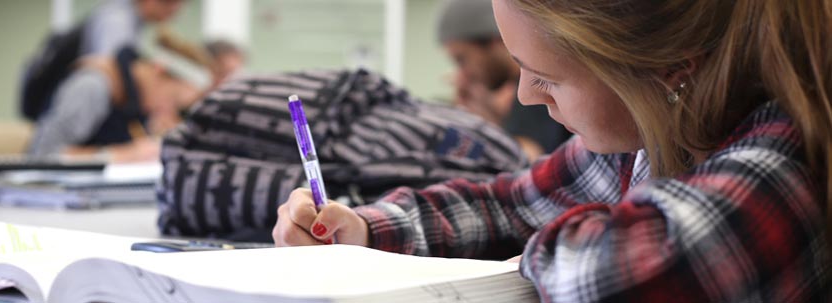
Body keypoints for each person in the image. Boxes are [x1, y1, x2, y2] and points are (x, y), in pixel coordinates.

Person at [273, 0, 831, 301]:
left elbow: (620, 276)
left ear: (667, 67)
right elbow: (509, 201)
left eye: (546, 77)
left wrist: (536, 252)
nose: (522, 95)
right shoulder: (646, 130)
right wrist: (366, 229)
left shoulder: (789, 156)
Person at [438, 0, 570, 159]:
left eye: (462, 59)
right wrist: (485, 115)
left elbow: (528, 158)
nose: (463, 73)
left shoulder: (535, 84)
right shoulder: (521, 88)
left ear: (496, 41)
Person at [28, 49, 197, 163]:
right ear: (159, 70)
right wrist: (123, 154)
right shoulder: (92, 86)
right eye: (174, 101)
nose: (169, 112)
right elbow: (43, 155)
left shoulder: (134, 101)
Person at [82, 0, 186, 56]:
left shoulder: (135, 21)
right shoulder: (117, 21)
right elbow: (110, 73)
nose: (177, 13)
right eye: (173, 4)